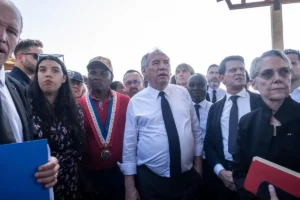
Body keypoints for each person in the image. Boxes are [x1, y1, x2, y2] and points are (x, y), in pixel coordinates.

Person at [120, 49, 203, 200]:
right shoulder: (136, 102)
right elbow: (129, 145)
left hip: (188, 178)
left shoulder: (183, 94)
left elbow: (196, 131)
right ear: (144, 71)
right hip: (153, 181)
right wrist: (130, 187)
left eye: (166, 62)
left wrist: (198, 166)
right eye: (156, 63)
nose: (163, 67)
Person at [0, 0, 59, 194]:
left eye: (11, 31)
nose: (2, 36)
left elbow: (26, 143)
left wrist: (47, 162)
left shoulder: (18, 90)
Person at [233, 50, 300, 200]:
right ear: (253, 84)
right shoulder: (247, 122)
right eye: (267, 74)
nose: (278, 78)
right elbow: (239, 173)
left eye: (284, 72)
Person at [204, 56, 262, 200]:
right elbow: (209, 144)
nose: (239, 72)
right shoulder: (215, 108)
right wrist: (220, 171)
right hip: (224, 179)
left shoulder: (261, 102)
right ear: (222, 78)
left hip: (256, 177)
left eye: (242, 69)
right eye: (233, 70)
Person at [29, 55, 85, 199]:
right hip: (38, 180)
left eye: (55, 70)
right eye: (42, 70)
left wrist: (60, 164)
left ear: (64, 78)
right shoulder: (25, 106)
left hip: (69, 181)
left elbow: (78, 146)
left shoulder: (74, 109)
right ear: (37, 76)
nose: (48, 74)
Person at [78, 56, 130, 199]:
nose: (97, 77)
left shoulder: (125, 101)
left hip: (120, 172)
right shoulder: (78, 104)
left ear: (111, 77)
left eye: (103, 73)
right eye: (93, 72)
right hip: (89, 175)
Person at [187, 73, 215, 199]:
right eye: (192, 85)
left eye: (200, 85)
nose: (196, 88)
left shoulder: (215, 109)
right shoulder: (182, 110)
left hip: (210, 162)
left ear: (207, 87)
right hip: (188, 163)